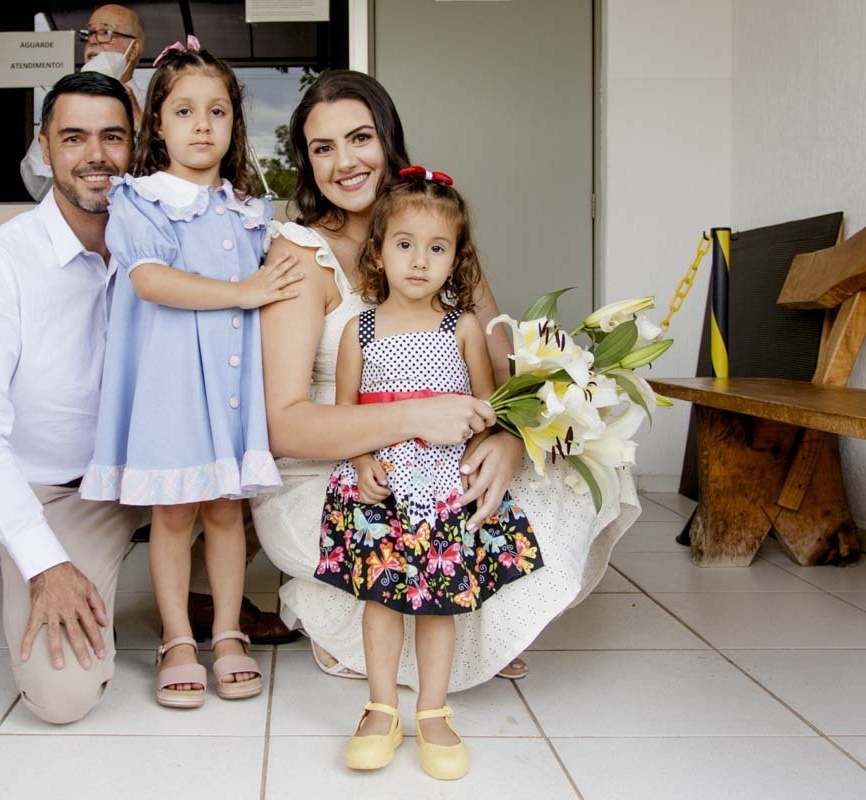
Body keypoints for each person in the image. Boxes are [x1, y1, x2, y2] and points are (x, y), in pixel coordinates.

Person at [251, 70, 642, 692]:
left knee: (572, 467)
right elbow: (284, 424)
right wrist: (414, 417)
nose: (345, 162)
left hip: (442, 456)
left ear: (388, 139)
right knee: (408, 527)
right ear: (307, 161)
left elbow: (502, 371)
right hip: (333, 469)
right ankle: (350, 620)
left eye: (360, 138)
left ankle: (482, 626)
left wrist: (507, 442)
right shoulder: (300, 254)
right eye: (323, 148)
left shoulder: (438, 233)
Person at [79, 38, 302, 708]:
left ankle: (227, 630)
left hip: (230, 391)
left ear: (235, 122)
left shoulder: (247, 210)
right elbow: (152, 281)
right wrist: (242, 292)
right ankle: (177, 637)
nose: (202, 125)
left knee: (227, 513)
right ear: (159, 123)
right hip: (172, 390)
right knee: (174, 515)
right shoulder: (141, 200)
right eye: (184, 111)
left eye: (217, 111)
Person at [327, 169, 543, 779]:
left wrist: (480, 458)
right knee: (380, 599)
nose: (420, 261)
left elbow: (487, 410)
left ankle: (432, 710)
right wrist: (362, 461)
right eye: (405, 244)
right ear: (378, 252)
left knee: (436, 603)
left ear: (457, 259)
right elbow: (344, 417)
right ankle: (380, 707)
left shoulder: (463, 327)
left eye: (437, 248)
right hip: (381, 487)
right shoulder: (359, 330)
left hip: (445, 486)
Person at [0, 71, 144, 724]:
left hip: (160, 473)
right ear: (44, 147)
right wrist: (45, 564)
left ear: (135, 145)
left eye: (113, 136)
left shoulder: (162, 246)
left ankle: (201, 595)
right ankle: (62, 565)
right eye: (74, 137)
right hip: (63, 494)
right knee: (62, 697)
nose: (97, 155)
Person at [20, 4, 146, 201]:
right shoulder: (64, 103)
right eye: (89, 33)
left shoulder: (153, 104)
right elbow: (37, 179)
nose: (93, 40)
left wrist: (143, 126)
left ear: (134, 48)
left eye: (105, 33)